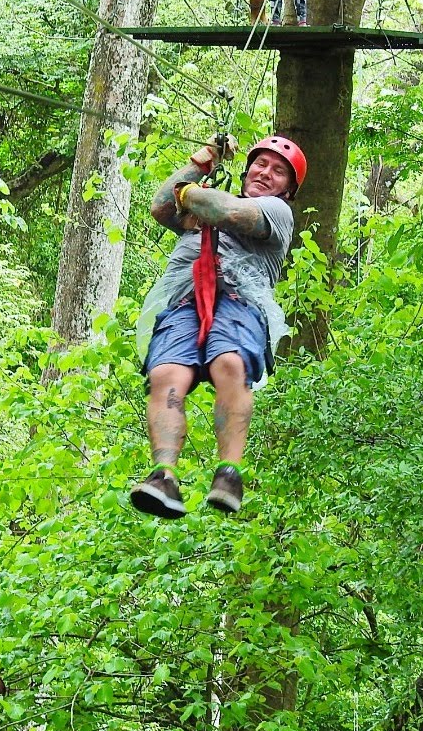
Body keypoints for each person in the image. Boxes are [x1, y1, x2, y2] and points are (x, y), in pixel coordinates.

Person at [130, 135, 307, 518]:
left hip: (238, 302)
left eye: (278, 172)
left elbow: (229, 213)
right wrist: (204, 158)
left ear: (288, 191)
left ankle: (230, 473)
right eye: (261, 164)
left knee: (229, 364)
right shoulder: (201, 215)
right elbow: (161, 205)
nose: (266, 173)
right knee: (165, 375)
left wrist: (191, 195)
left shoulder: (276, 213)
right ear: (246, 170)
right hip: (184, 302)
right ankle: (164, 475)